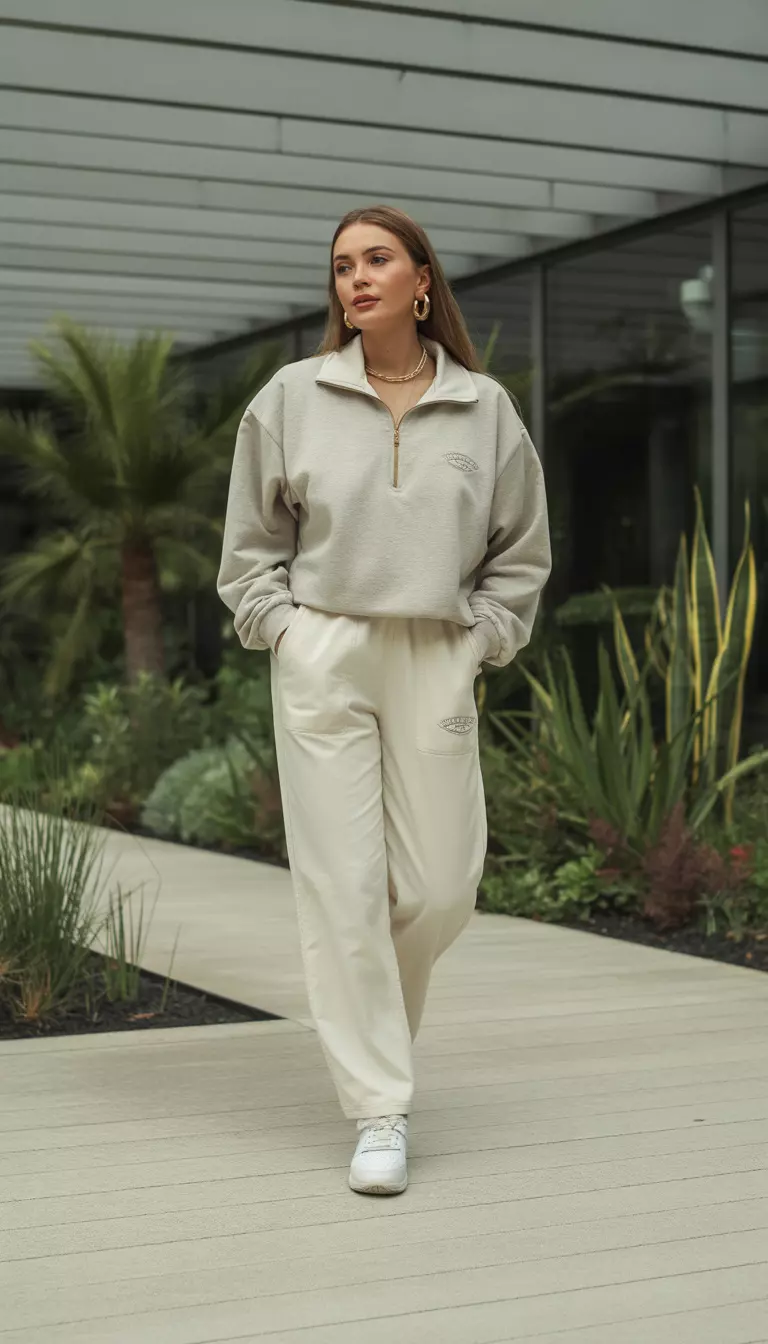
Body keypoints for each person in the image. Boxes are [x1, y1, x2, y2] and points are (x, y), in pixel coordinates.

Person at [217, 204, 551, 1197]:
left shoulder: (485, 408)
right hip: (326, 650)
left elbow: (522, 551)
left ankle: (372, 1041)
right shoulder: (290, 398)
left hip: (436, 655)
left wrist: (482, 641)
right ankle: (380, 1109)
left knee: (440, 889)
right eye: (341, 267)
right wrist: (289, 634)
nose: (356, 278)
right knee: (342, 887)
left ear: (421, 281)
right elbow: (248, 554)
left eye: (376, 260)